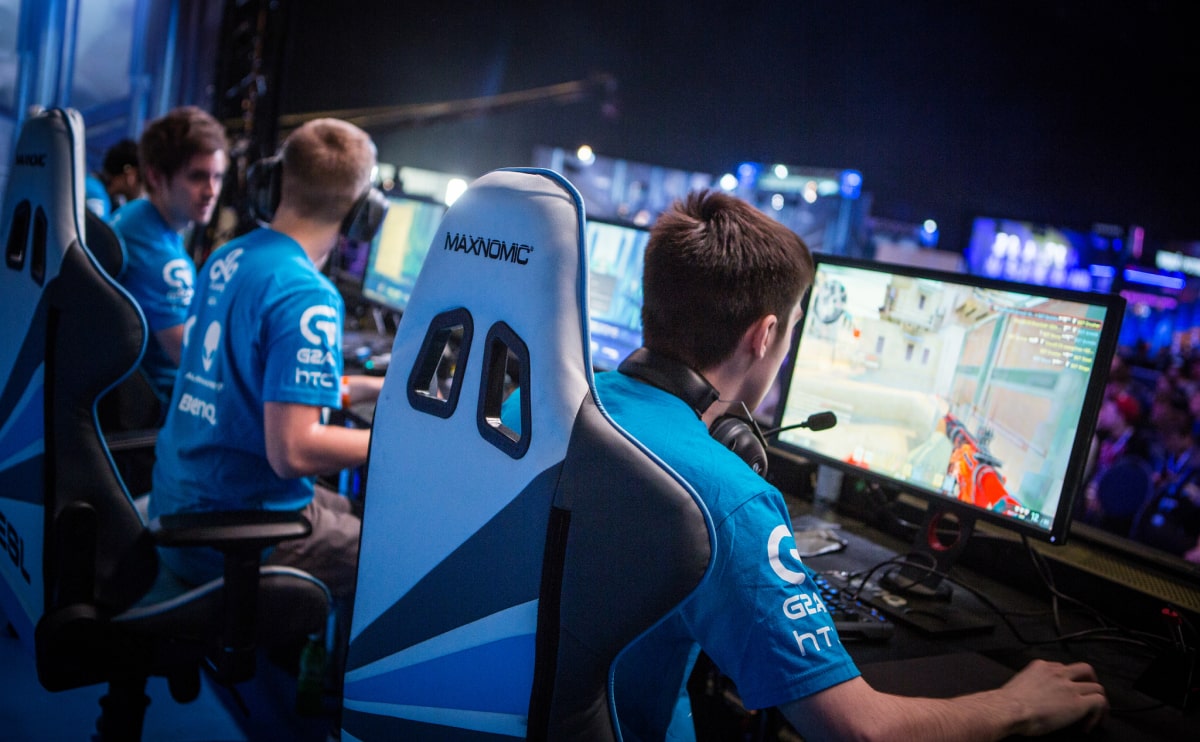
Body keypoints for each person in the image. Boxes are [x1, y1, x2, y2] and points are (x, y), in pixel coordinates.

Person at [596, 190, 1108, 741]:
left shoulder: (559, 407)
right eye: (792, 328)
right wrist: (1018, 705)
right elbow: (862, 732)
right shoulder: (727, 501)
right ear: (764, 336)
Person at [149, 117, 382, 607]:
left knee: (357, 510)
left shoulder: (228, 257)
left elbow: (250, 382)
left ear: (273, 182)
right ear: (364, 214)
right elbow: (294, 451)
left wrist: (374, 388)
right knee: (400, 555)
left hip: (181, 504)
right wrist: (394, 440)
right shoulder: (307, 294)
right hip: (230, 533)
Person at [111, 106, 228, 410]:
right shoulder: (163, 262)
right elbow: (197, 363)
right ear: (155, 176)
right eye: (197, 177)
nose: (211, 191)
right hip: (166, 409)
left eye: (217, 177)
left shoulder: (135, 216)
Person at [84, 138, 143, 220]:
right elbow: (97, 228)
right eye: (141, 179)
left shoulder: (114, 202)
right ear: (130, 175)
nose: (142, 189)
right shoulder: (95, 192)